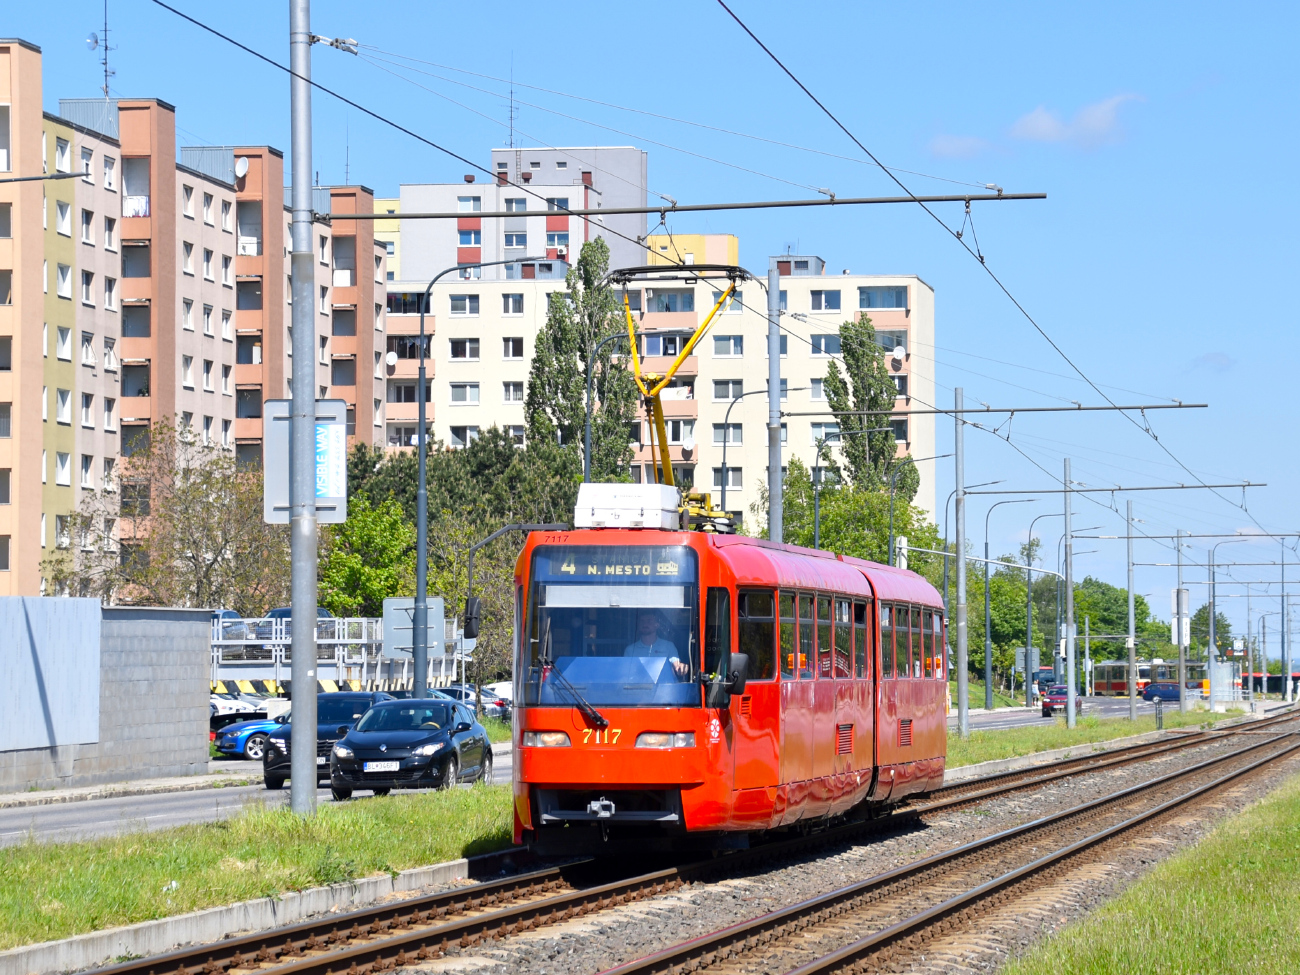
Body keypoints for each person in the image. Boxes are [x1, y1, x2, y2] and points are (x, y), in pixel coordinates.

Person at [624, 610, 688, 677]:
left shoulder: (668, 646)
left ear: (657, 625)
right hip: (638, 687)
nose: (645, 624)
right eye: (642, 621)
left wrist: (681, 667)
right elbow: (626, 673)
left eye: (649, 621)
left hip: (664, 687)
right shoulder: (630, 650)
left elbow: (676, 665)